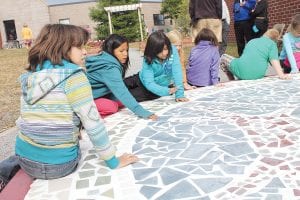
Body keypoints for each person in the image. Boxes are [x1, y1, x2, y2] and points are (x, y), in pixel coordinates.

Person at [15, 24, 138, 180]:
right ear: (63, 48)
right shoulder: (74, 77)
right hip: (59, 166)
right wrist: (112, 161)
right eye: (80, 47)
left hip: (24, 160)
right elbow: (93, 124)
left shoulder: (32, 75)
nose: (85, 51)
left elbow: (25, 119)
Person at [86, 34, 157, 120]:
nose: (125, 54)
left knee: (122, 101)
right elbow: (122, 92)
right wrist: (142, 112)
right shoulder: (109, 68)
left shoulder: (109, 60)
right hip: (88, 99)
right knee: (112, 107)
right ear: (111, 51)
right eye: (121, 51)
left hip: (103, 94)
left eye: (126, 50)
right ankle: (87, 113)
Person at [124, 31, 189, 103]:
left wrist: (179, 94)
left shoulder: (173, 50)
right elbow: (148, 82)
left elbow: (177, 72)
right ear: (153, 50)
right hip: (141, 78)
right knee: (117, 85)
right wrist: (167, 91)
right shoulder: (148, 57)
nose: (165, 53)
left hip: (152, 90)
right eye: (160, 51)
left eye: (166, 49)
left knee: (124, 96)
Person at [220, 29, 290, 80]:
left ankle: (231, 79)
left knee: (223, 57)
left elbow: (245, 56)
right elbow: (274, 61)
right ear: (275, 40)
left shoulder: (252, 41)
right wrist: (281, 74)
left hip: (241, 70)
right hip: (257, 75)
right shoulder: (272, 44)